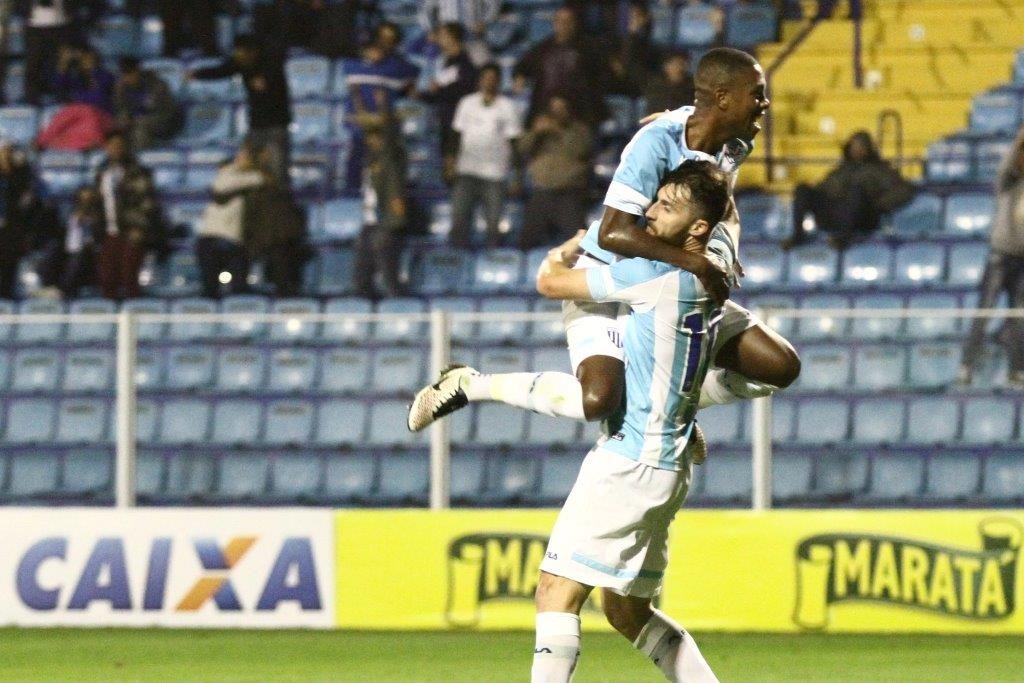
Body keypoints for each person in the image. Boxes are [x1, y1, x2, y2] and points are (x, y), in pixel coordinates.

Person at [409, 47, 800, 436]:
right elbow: (615, 233)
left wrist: (721, 252)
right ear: (723, 98)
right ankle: (468, 383)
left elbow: (723, 205)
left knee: (778, 367)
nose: (765, 103)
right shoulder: (656, 143)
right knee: (597, 400)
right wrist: (698, 263)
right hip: (612, 274)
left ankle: (677, 406)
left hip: (665, 283)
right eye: (757, 93)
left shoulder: (734, 142)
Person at [959, 125, 1024, 388]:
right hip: (1001, 257)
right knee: (984, 312)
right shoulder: (1007, 183)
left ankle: (1016, 369)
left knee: (1020, 318)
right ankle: (967, 366)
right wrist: (1020, 137)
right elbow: (1007, 164)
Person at [783, 130, 915, 250]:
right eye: (854, 146)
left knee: (855, 192)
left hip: (862, 219)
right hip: (835, 214)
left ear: (868, 149)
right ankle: (798, 236)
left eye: (860, 146)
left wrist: (879, 205)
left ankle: (844, 239)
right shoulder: (842, 169)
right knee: (802, 189)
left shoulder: (880, 170)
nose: (856, 149)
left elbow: (905, 190)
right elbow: (822, 189)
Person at [190, 34, 292, 185]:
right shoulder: (241, 64)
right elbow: (222, 70)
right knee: (248, 168)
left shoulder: (271, 65)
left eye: (241, 52)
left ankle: (279, 201)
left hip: (276, 126)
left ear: (252, 51)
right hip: (255, 126)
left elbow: (273, 90)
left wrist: (265, 84)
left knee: (277, 173)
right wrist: (198, 74)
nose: (238, 56)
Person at [449, 63, 523, 248]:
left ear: (498, 81)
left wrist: (517, 177)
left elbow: (515, 143)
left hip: (495, 174)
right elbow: (456, 135)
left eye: (493, 78)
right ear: (480, 80)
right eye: (485, 78)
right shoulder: (467, 103)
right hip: (467, 171)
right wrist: (450, 162)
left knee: (492, 225)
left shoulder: (508, 106)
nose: (489, 82)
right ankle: (459, 259)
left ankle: (491, 256)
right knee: (459, 220)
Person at [93, 131, 163, 300]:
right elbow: (99, 201)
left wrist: (140, 228)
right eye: (112, 146)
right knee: (107, 277)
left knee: (129, 275)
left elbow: (148, 202)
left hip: (131, 230)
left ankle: (132, 315)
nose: (115, 149)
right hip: (109, 230)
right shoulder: (102, 172)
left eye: (119, 146)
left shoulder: (138, 171)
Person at [516, 94, 592, 250]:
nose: (557, 112)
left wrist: (557, 131)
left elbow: (580, 150)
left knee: (580, 244)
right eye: (554, 109)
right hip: (542, 191)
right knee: (525, 242)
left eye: (561, 108)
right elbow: (522, 149)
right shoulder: (540, 130)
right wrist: (536, 133)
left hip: (568, 194)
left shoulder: (580, 130)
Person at [513, 6, 608, 129]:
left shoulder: (588, 49)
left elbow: (600, 77)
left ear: (574, 24)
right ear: (554, 23)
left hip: (578, 113)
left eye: (568, 21)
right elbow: (522, 67)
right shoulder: (543, 48)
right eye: (560, 21)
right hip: (545, 111)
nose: (564, 25)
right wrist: (519, 77)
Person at [195, 143, 265, 299]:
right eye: (239, 156)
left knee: (239, 290)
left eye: (245, 157)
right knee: (210, 289)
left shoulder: (250, 187)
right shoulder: (227, 174)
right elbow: (225, 186)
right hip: (212, 238)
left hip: (233, 241)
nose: (240, 160)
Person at [353, 120, 406, 299]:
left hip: (385, 221)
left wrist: (394, 217)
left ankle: (395, 303)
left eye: (376, 138)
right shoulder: (371, 160)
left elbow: (393, 188)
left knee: (387, 269)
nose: (371, 142)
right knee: (362, 268)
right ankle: (364, 301)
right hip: (370, 220)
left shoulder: (390, 159)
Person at [418, 22, 477, 182]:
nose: (439, 39)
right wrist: (420, 95)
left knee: (457, 164)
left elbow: (465, 91)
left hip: (460, 123)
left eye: (443, 35)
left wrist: (439, 90)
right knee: (448, 166)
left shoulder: (466, 63)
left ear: (453, 38)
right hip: (446, 121)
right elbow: (440, 93)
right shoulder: (446, 62)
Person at [0, 143, 48, 298]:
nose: (5, 157)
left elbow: (34, 195)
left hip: (12, 230)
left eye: (8, 154)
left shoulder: (20, 177)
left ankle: (7, 294)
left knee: (9, 263)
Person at [40, 184, 101, 298]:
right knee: (52, 249)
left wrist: (91, 223)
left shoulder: (97, 214)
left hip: (86, 249)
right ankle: (48, 286)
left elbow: (95, 237)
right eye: (83, 197)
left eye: (88, 197)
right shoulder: (69, 211)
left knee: (77, 259)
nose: (85, 200)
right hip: (68, 246)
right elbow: (60, 230)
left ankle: (64, 290)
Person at [113, 57, 182, 152]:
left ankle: (141, 155)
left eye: (131, 73)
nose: (128, 78)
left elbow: (165, 111)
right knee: (119, 124)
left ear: (138, 71)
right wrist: (125, 118)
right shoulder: (121, 88)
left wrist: (138, 119)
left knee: (142, 124)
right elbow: (121, 108)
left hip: (165, 121)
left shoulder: (157, 85)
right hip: (136, 120)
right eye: (125, 75)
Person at [52, 44, 115, 112]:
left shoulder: (105, 75)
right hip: (79, 114)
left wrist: (92, 71)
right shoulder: (75, 77)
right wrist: (64, 63)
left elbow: (99, 96)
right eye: (83, 59)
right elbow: (58, 86)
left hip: (99, 114)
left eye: (88, 58)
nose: (85, 61)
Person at [640, 50, 696, 116]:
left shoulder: (693, 85)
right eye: (673, 63)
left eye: (681, 63)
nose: (677, 67)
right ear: (665, 66)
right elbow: (653, 110)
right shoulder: (656, 86)